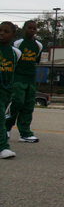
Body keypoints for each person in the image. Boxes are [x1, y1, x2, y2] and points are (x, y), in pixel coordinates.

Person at [5, 20, 43, 143]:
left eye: (34, 28)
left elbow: (35, 61)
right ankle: (5, 128)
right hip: (18, 79)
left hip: (31, 80)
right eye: (29, 28)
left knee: (28, 106)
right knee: (17, 102)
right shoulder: (17, 43)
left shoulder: (38, 45)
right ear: (24, 29)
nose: (31, 30)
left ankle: (25, 132)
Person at [1, 21, 22, 159]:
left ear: (13, 35)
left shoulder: (16, 53)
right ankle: (3, 147)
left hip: (5, 90)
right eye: (0, 30)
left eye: (6, 31)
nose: (1, 33)